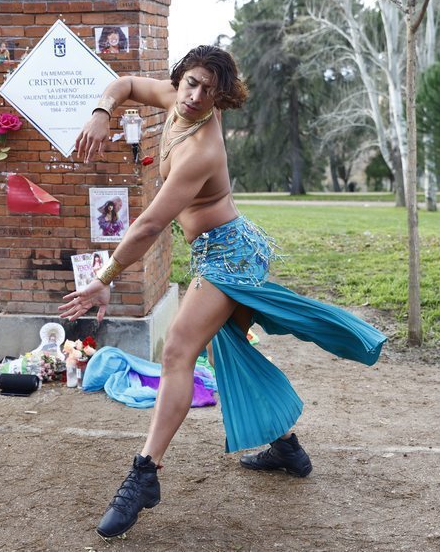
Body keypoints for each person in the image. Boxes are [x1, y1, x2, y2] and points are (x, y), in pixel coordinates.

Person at [59, 45, 386, 539]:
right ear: (181, 78)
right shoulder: (173, 98)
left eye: (209, 91)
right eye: (190, 82)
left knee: (177, 350)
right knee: (228, 349)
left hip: (228, 256)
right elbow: (124, 84)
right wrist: (103, 111)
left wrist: (104, 281)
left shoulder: (202, 149)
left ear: (222, 97)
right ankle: (286, 446)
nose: (194, 96)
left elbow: (150, 224)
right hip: (222, 249)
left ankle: (144, 474)